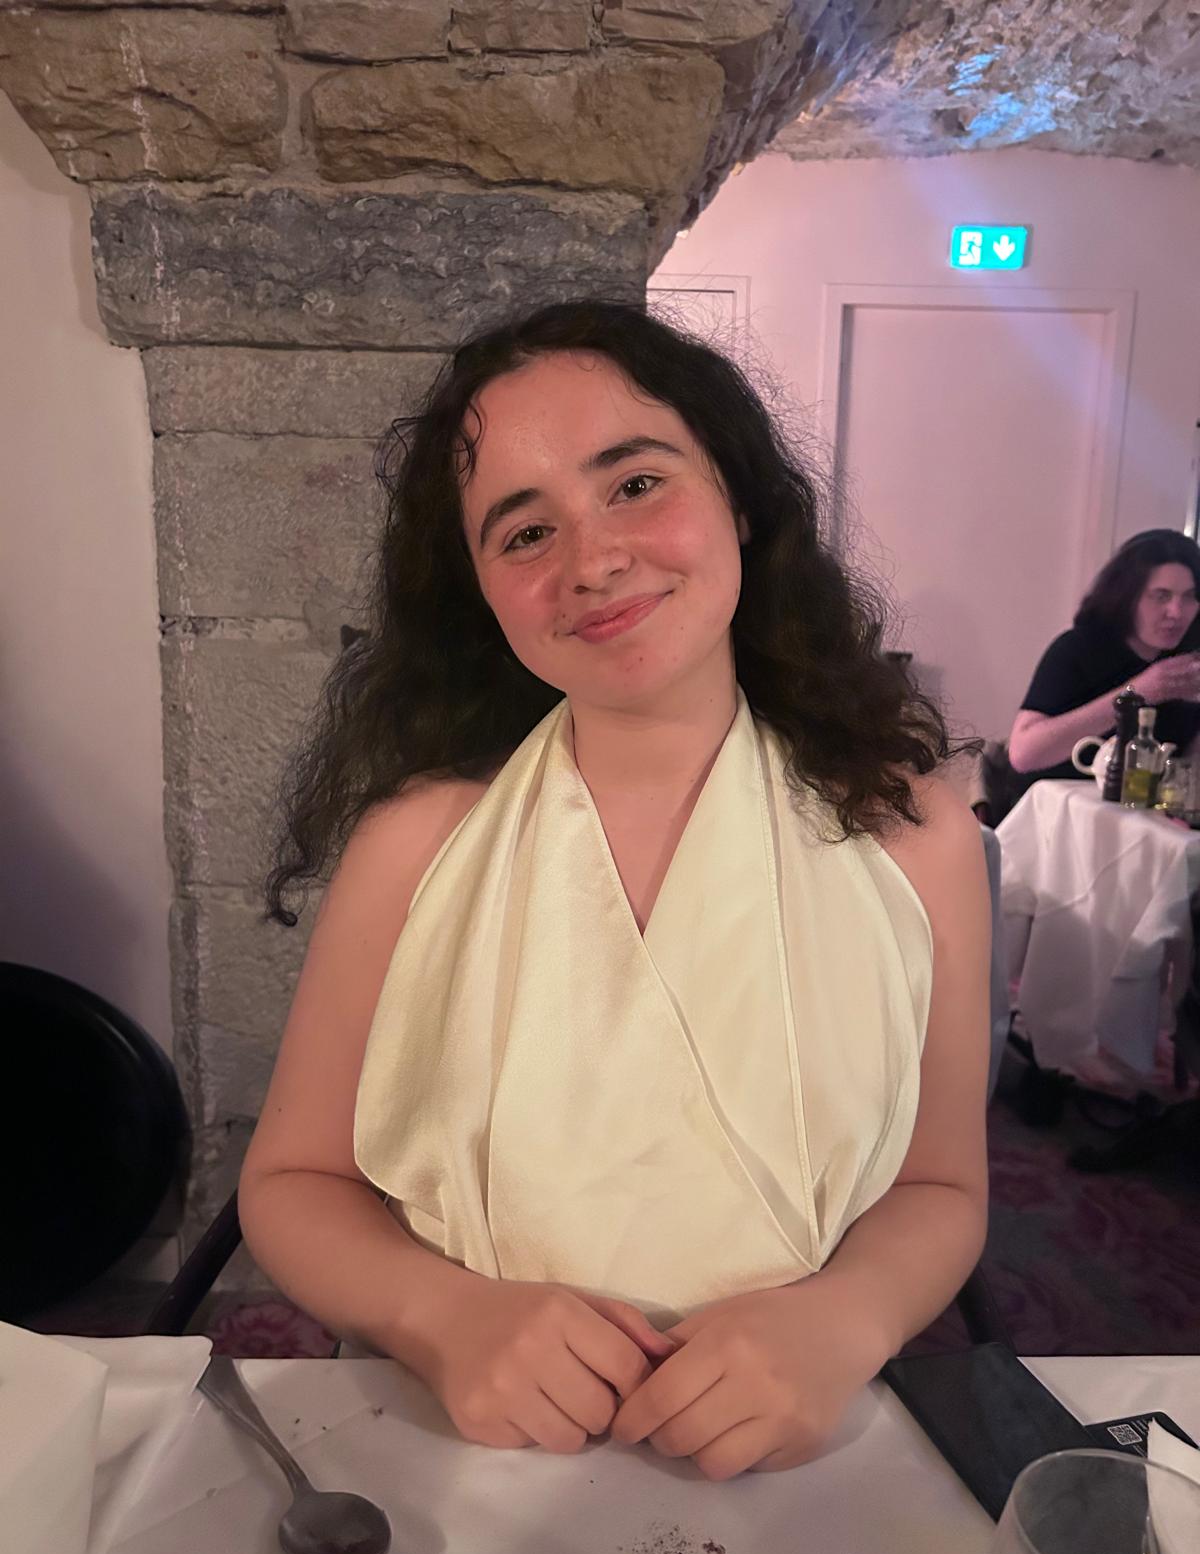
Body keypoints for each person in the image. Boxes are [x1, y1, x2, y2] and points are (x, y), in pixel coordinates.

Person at [239, 301, 990, 1482]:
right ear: (480, 592)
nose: (591, 562)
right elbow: (292, 1181)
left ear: (739, 498)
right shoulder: (416, 843)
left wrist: (849, 1317)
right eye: (525, 532)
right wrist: (440, 1316)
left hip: (789, 1457)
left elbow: (941, 1184)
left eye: (635, 485)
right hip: (465, 1450)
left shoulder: (914, 837)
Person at [1008, 529, 1200, 788]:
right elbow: (1024, 755)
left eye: (1189, 597)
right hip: (1058, 805)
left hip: (1146, 808)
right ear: (1128, 596)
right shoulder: (1079, 648)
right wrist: (1138, 693)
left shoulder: (1188, 662)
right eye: (1161, 596)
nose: (1176, 612)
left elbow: (1188, 769)